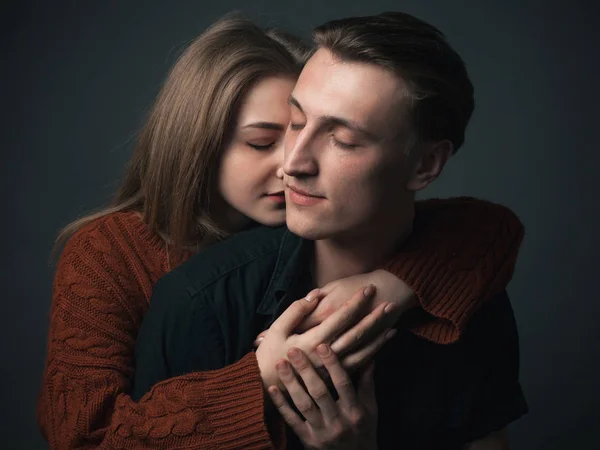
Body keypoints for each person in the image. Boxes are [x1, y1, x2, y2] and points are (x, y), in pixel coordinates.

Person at [38, 14, 524, 450]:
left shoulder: (332, 224)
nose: (289, 165)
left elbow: (488, 229)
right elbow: (82, 438)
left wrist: (397, 286)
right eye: (263, 141)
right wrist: (265, 374)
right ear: (198, 145)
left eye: (330, 135)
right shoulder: (113, 255)